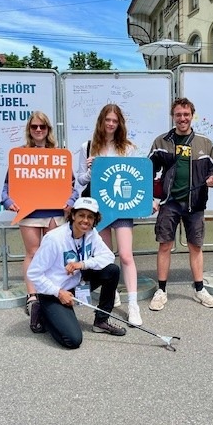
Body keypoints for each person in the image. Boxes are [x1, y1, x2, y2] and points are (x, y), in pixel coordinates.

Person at [147, 97, 213, 311]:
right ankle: (161, 291)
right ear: (173, 116)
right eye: (178, 114)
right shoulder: (161, 142)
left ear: (192, 116)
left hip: (195, 204)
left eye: (186, 114)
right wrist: (153, 198)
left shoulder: (204, 143)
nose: (182, 118)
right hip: (169, 203)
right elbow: (147, 171)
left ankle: (199, 289)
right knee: (164, 245)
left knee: (195, 246)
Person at [74, 104, 142, 325]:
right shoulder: (87, 146)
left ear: (119, 123)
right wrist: (91, 169)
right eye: (107, 120)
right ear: (101, 122)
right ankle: (113, 293)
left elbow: (138, 177)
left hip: (122, 208)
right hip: (99, 209)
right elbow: (80, 181)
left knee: (125, 255)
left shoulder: (128, 148)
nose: (111, 124)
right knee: (105, 257)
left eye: (115, 120)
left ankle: (133, 304)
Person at [26, 197, 126, 348]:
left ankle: (101, 321)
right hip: (53, 292)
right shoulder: (54, 239)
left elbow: (108, 256)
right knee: (73, 340)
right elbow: (33, 273)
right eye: (81, 215)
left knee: (112, 270)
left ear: (95, 220)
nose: (85, 220)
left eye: (90, 217)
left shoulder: (91, 234)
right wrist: (58, 292)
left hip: (76, 284)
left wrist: (83, 264)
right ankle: (42, 311)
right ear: (73, 215)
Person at [1, 111, 66, 315]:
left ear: (48, 129)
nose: (38, 130)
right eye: (34, 127)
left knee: (53, 255)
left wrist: (71, 202)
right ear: (29, 130)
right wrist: (8, 201)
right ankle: (32, 296)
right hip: (29, 212)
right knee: (33, 253)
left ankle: (52, 293)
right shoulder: (21, 154)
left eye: (42, 127)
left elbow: (71, 184)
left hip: (55, 212)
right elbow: (7, 186)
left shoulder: (58, 153)